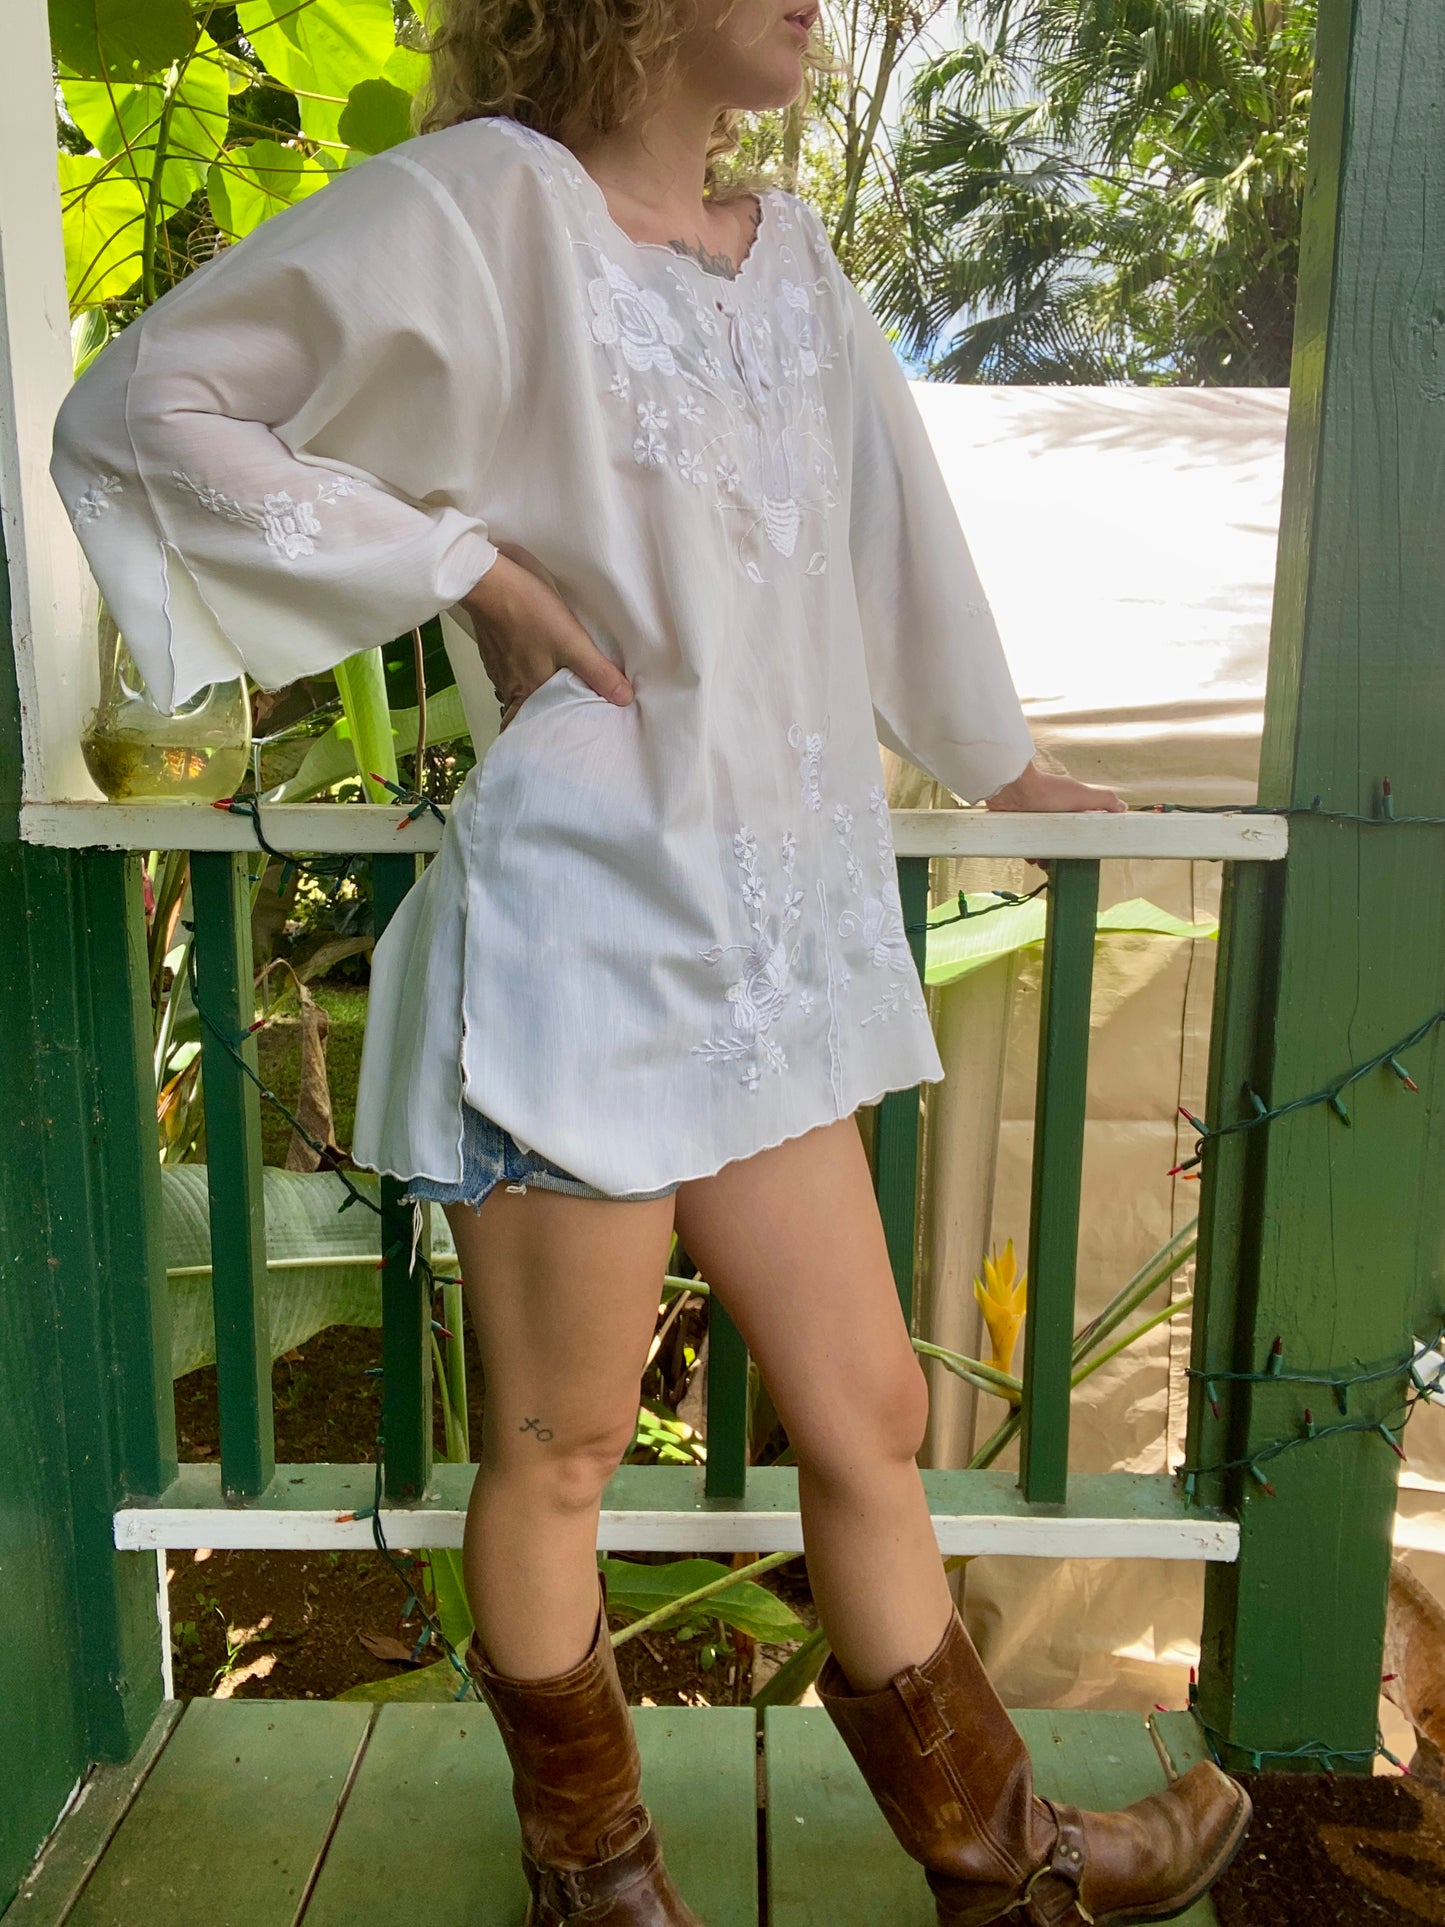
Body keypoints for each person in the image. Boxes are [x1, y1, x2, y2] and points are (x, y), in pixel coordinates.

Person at [52, 2, 1251, 1920]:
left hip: (769, 942)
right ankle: (599, 1887)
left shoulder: (792, 257)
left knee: (866, 1416)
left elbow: (892, 533)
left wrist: (995, 752)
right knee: (557, 1445)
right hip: (584, 927)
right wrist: (467, 568)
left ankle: (1004, 1867)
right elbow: (144, 405)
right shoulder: (484, 208)